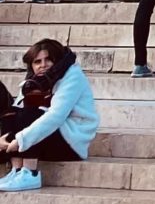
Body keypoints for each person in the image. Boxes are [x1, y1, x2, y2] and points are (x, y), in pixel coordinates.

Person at [0, 38, 99, 194]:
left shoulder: (72, 76)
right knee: (12, 113)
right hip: (48, 137)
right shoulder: (34, 80)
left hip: (71, 141)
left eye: (48, 60)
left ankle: (30, 173)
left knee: (31, 113)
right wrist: (6, 138)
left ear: (57, 60)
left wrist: (20, 140)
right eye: (37, 62)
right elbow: (16, 109)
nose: (43, 65)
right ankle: (17, 170)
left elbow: (55, 116)